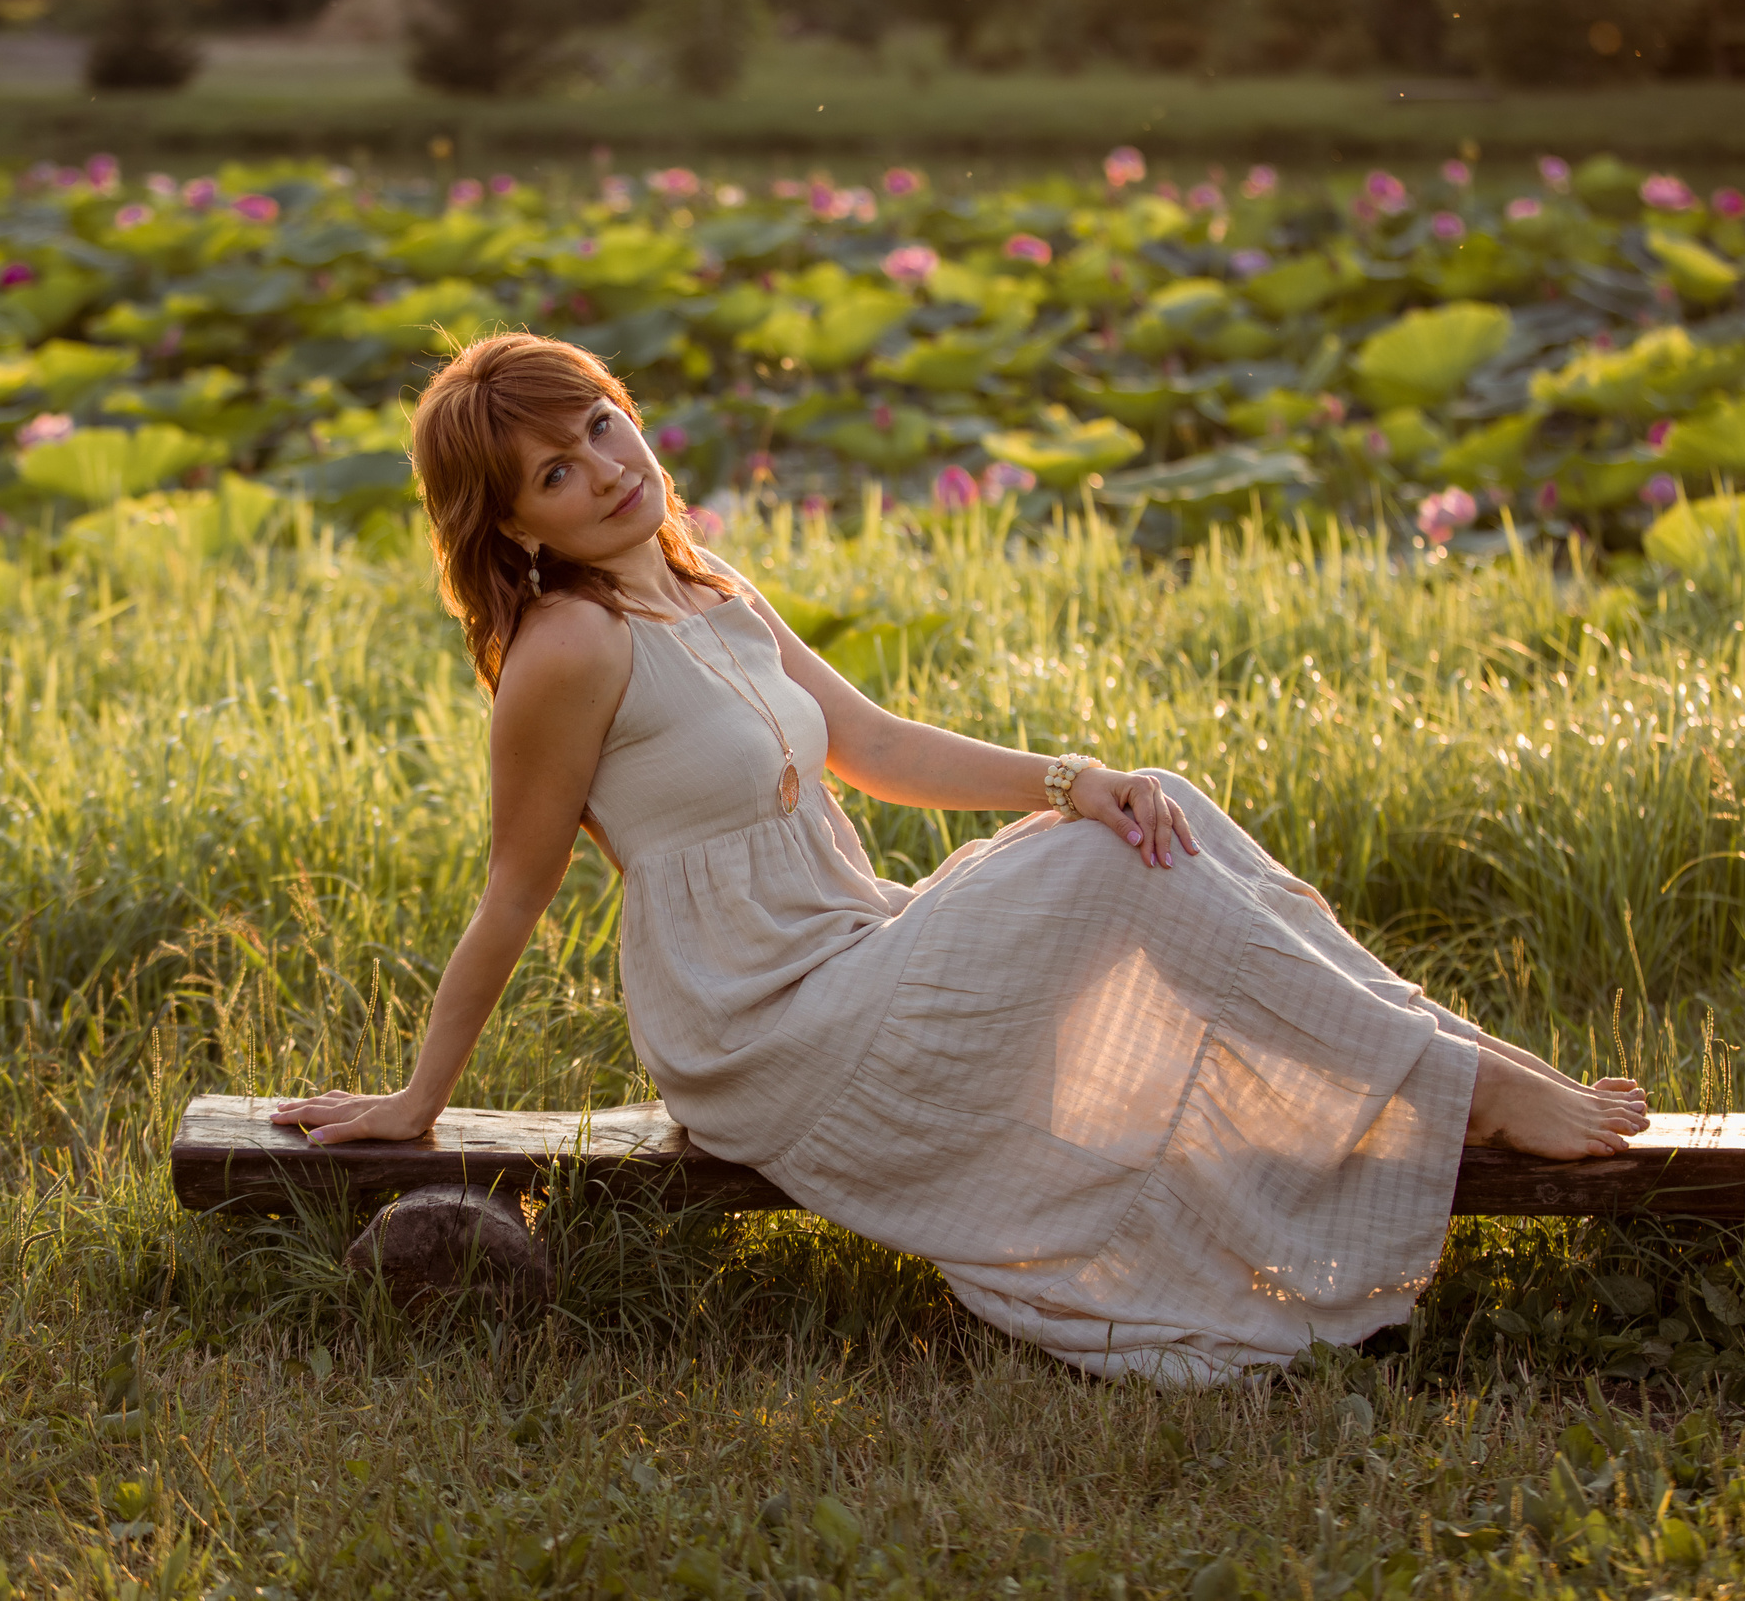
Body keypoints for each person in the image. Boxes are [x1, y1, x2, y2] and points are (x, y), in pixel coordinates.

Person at [272, 332, 1647, 1382]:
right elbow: (518, 886)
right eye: (556, 472)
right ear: (517, 523)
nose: (609, 469)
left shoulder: (705, 587)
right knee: (1105, 865)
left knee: (1142, 805)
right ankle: (1466, 1088)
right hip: (759, 1028)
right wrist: (418, 1094)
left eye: (601, 426)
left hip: (852, 950)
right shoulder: (568, 651)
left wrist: (1069, 776)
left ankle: (1451, 1063)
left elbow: (871, 744)